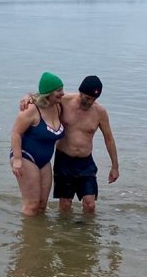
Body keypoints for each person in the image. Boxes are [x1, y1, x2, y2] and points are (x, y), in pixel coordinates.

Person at [50, 76, 119, 214]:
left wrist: (115, 166)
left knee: (90, 204)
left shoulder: (100, 112)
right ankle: (65, 234)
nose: (89, 102)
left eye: (93, 99)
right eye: (87, 98)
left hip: (85, 162)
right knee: (65, 204)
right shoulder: (64, 101)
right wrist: (27, 97)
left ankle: (88, 233)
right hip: (64, 159)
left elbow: (109, 139)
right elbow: (43, 99)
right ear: (80, 92)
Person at [11, 72, 65, 216]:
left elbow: (78, 96)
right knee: (32, 205)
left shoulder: (58, 105)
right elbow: (16, 133)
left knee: (42, 205)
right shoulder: (30, 110)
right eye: (59, 90)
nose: (63, 93)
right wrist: (17, 160)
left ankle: (38, 237)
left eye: (62, 89)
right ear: (48, 93)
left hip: (44, 160)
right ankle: (26, 238)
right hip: (25, 156)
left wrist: (28, 93)